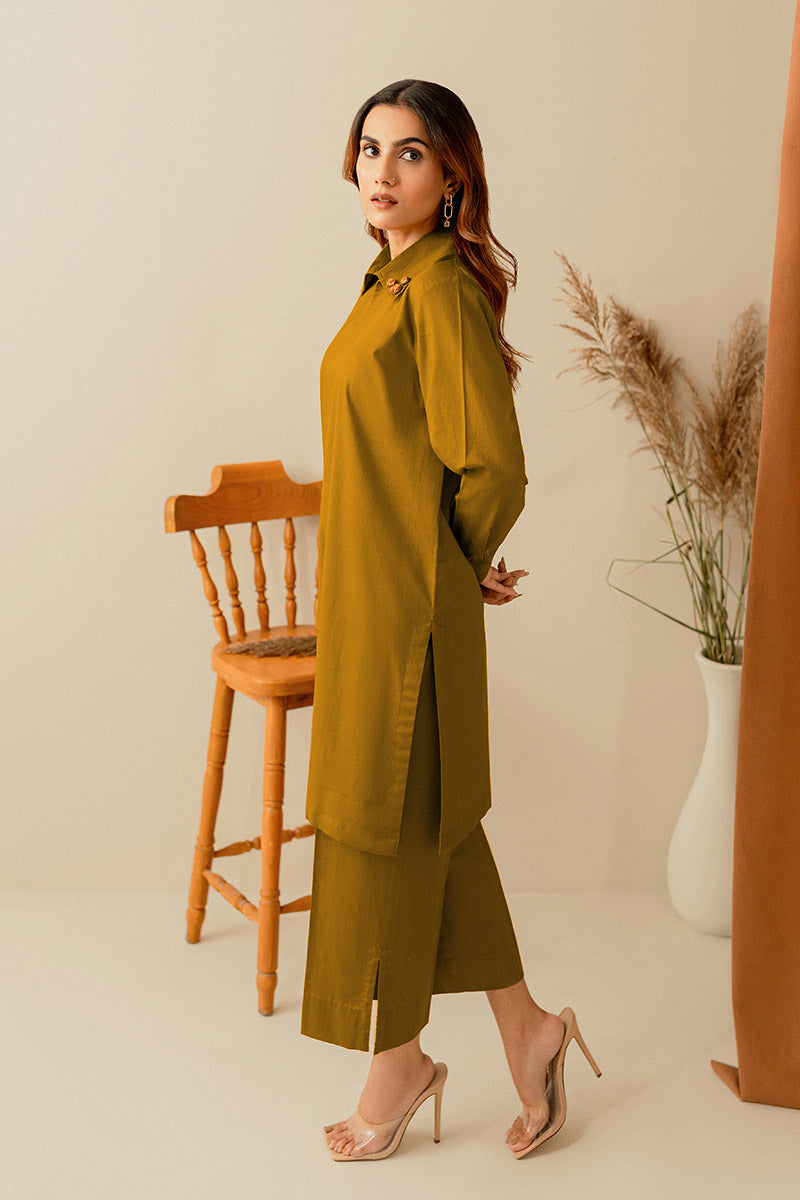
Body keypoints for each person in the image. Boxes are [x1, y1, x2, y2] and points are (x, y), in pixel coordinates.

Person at [300, 78, 600, 1162]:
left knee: (384, 819)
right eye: (369, 149)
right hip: (372, 602)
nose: (380, 172)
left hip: (405, 615)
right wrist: (441, 564)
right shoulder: (389, 280)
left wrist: (450, 564)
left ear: (452, 176)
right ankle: (528, 1033)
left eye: (409, 153)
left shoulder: (436, 291)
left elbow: (492, 466)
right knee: (431, 821)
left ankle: (397, 1067)